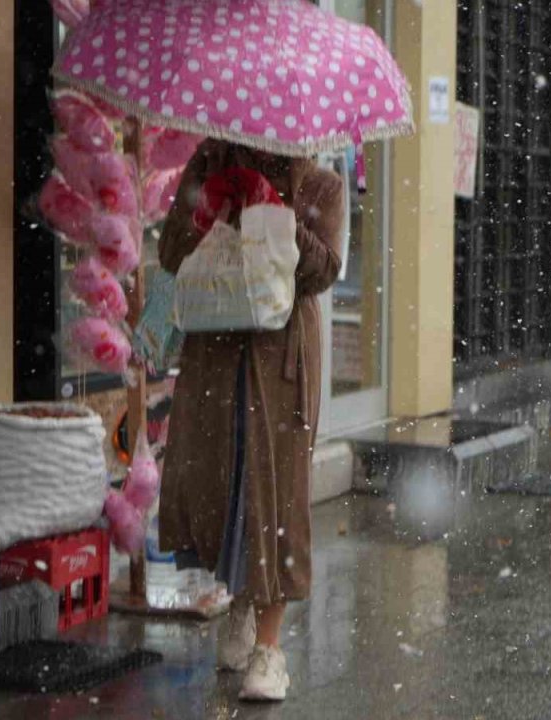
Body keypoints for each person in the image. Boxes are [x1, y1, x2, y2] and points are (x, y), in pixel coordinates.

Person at [157, 139, 343, 702]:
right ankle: (238, 601)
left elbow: (324, 270)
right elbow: (170, 253)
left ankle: (270, 648)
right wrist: (208, 210)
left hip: (280, 360)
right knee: (220, 486)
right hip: (215, 351)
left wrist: (276, 217)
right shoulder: (209, 164)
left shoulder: (321, 186)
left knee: (276, 496)